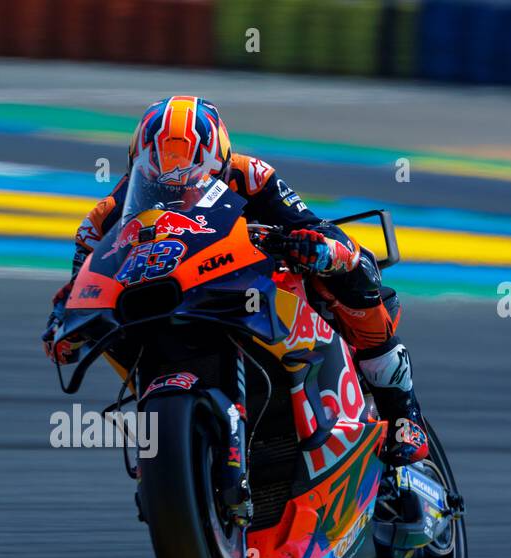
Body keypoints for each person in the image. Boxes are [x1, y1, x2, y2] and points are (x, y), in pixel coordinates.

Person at [43, 96, 429, 465]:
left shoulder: (253, 176)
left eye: (194, 177)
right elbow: (81, 285)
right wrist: (62, 323)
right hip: (171, 302)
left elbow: (320, 229)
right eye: (163, 180)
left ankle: (403, 414)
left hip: (249, 283)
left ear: (220, 165)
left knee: (353, 267)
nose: (179, 187)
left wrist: (319, 249)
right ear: (140, 166)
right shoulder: (107, 214)